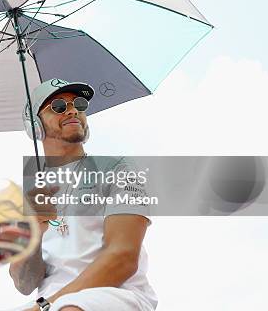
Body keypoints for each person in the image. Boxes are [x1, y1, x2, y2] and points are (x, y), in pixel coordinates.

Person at [9, 79, 157, 311]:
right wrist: (34, 233)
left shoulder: (119, 169)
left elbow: (124, 258)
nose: (73, 110)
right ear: (35, 126)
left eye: (79, 104)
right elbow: (24, 283)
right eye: (58, 106)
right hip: (51, 302)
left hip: (115, 294)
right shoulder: (31, 192)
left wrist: (44, 306)